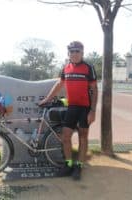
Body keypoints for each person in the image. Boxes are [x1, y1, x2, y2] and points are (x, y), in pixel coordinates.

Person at [39, 41, 98, 180]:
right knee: (65, 137)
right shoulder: (66, 68)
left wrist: (93, 111)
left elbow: (94, 90)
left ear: (82, 53)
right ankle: (69, 164)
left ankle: (79, 166)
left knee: (83, 137)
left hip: (85, 108)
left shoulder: (88, 68)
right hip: (72, 107)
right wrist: (47, 99)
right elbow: (59, 84)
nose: (75, 54)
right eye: (72, 51)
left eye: (77, 51)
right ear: (68, 53)